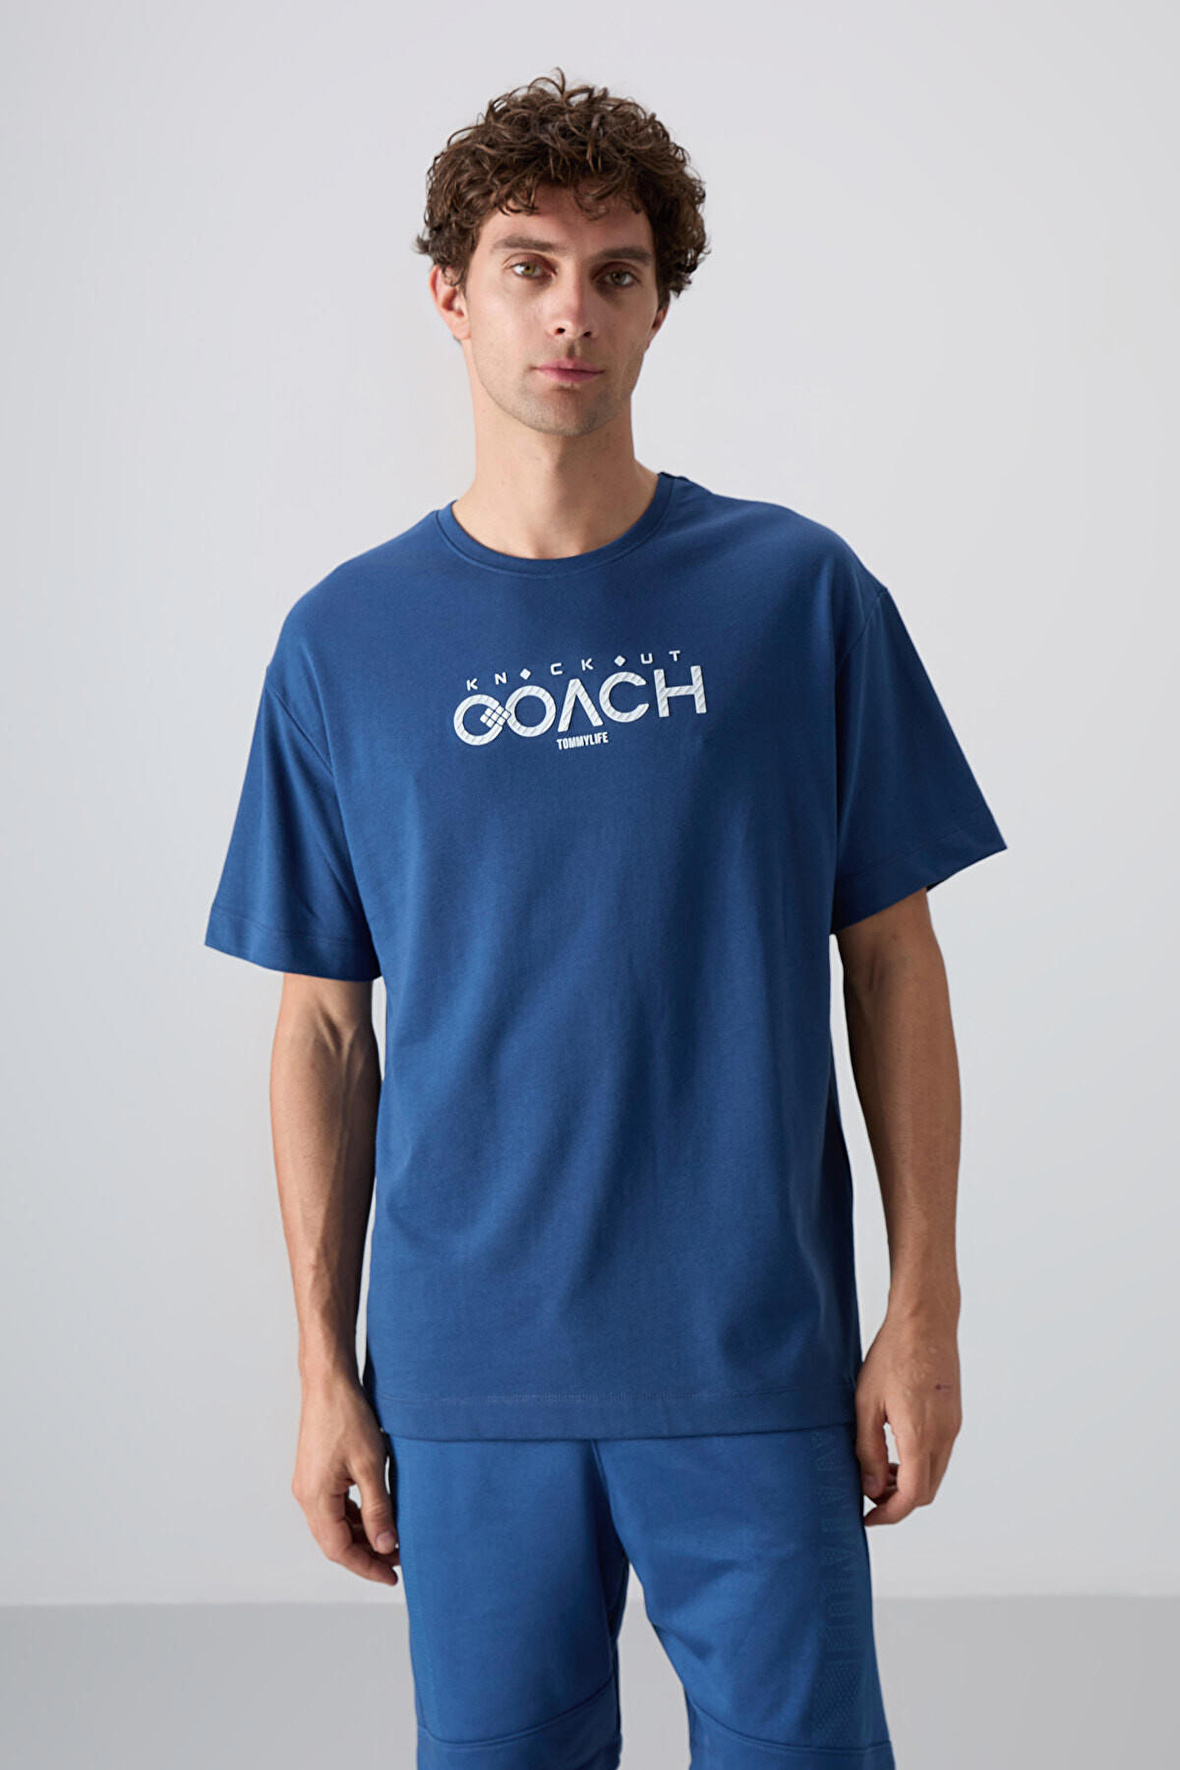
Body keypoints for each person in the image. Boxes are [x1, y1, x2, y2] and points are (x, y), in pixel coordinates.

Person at [205, 67, 1007, 1770]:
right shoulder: (345, 641)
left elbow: (893, 961)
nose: (572, 311)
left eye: (615, 271)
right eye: (529, 266)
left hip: (754, 1359)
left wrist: (923, 1306)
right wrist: (323, 1367)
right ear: (452, 295)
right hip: (467, 1380)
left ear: (657, 304)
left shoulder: (798, 597)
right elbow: (325, 1025)